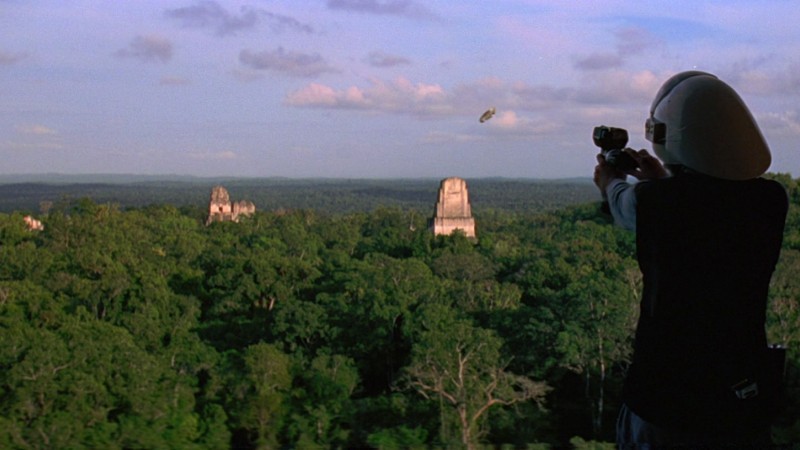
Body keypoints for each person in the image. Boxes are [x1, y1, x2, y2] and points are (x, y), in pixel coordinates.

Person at [593, 71, 789, 447]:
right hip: (742, 395)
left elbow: (625, 205)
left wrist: (610, 179)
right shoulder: (770, 200)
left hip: (667, 398)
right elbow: (707, 203)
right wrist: (664, 178)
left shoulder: (661, 204)